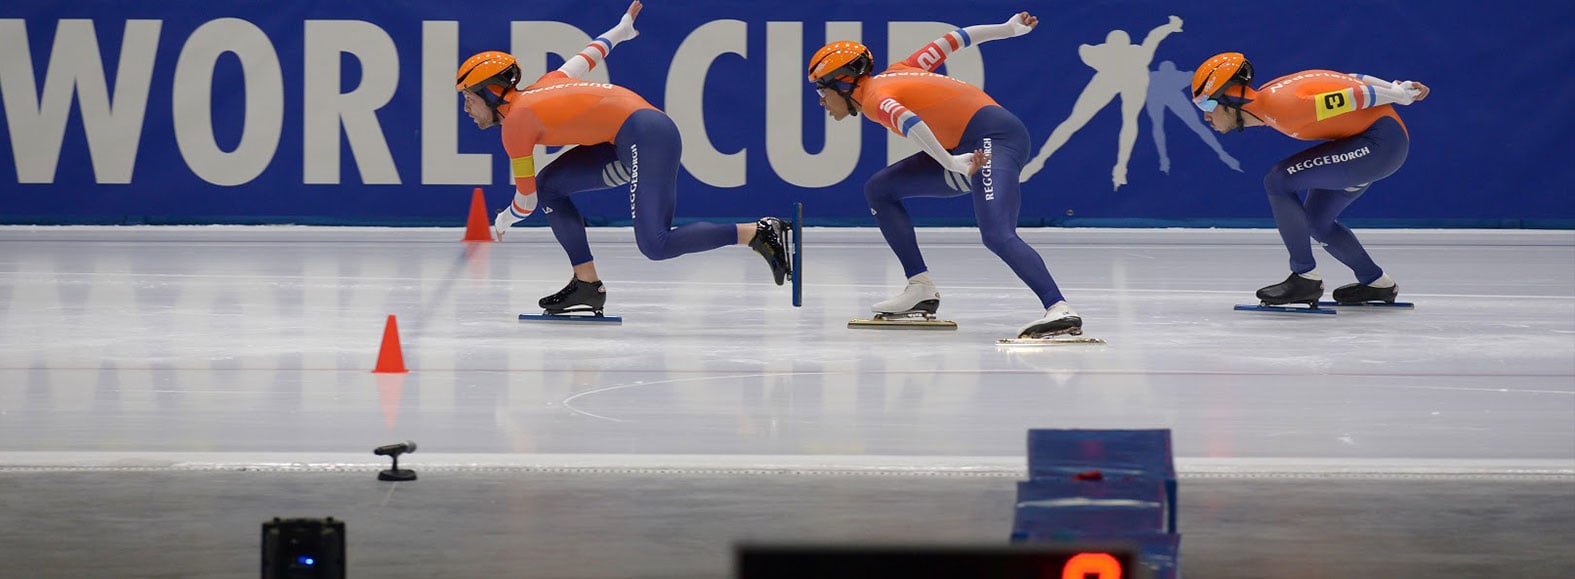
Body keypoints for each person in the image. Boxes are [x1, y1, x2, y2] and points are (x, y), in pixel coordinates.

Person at [456, 0, 791, 316]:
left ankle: (757, 232)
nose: (466, 108)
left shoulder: (516, 124)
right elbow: (587, 56)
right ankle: (586, 283)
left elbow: (525, 203)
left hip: (647, 136)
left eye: (469, 98)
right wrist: (620, 30)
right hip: (629, 138)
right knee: (550, 186)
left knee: (655, 243)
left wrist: (501, 221)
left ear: (491, 92)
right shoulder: (545, 84)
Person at [808, 11, 1081, 338]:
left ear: (842, 83)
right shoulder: (900, 70)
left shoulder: (874, 99)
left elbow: (911, 123)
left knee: (997, 233)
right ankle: (920, 288)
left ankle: (1059, 308)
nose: (822, 102)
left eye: (822, 92)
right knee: (880, 189)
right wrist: (1007, 29)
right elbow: (953, 39)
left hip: (993, 141)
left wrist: (951, 163)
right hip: (966, 145)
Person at [1191, 52, 1429, 306]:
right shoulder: (1269, 98)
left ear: (1229, 99)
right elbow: (1350, 79)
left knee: (1278, 180)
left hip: (1379, 145)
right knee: (1317, 221)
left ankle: (1305, 277)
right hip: (1369, 142)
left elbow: (1355, 96)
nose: (1205, 117)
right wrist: (1393, 87)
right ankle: (1376, 283)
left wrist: (1399, 95)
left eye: (1206, 105)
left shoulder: (1283, 106)